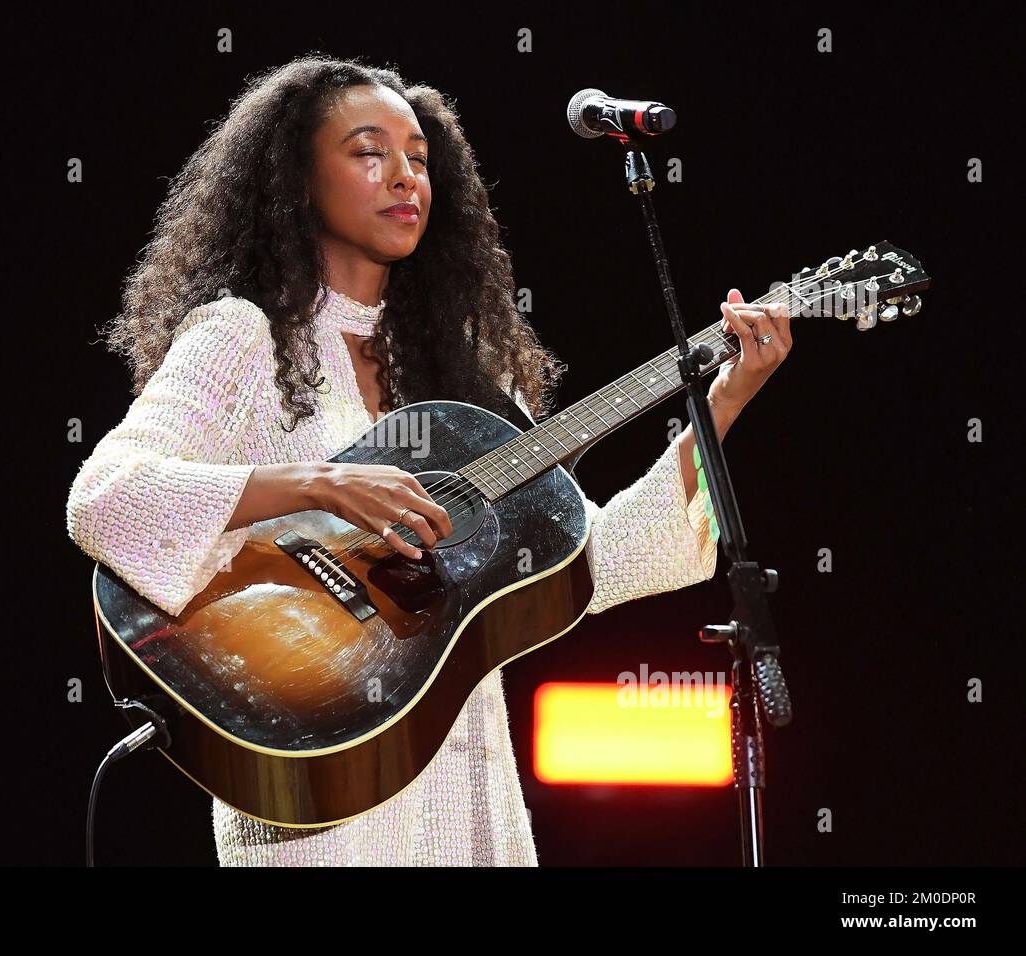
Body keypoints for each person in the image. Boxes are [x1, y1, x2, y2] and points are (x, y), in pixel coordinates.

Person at [65, 55, 791, 866]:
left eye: (419, 158)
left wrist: (720, 401)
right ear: (296, 180)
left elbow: (598, 562)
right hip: (315, 791)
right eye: (369, 152)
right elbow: (106, 496)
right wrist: (320, 485)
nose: (404, 176)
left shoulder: (467, 375)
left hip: (466, 787)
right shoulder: (242, 339)